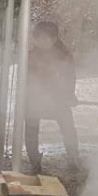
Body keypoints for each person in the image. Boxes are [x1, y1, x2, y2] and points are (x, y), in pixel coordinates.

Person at [25, 21, 79, 173]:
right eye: (37, 38)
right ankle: (34, 162)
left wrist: (68, 95)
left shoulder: (64, 55)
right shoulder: (30, 56)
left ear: (54, 38)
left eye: (43, 38)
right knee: (31, 128)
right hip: (34, 99)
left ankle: (74, 159)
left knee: (68, 128)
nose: (39, 41)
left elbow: (70, 78)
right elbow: (26, 78)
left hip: (58, 99)